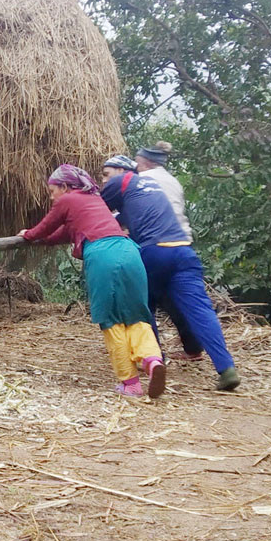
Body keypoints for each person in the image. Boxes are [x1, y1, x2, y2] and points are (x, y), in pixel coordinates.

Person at [16, 165, 166, 398]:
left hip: (103, 254)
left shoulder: (68, 200)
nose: (52, 196)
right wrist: (40, 240)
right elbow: (61, 234)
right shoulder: (93, 201)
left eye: (52, 190)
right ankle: (152, 359)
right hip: (130, 251)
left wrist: (27, 235)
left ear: (65, 186)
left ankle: (131, 383)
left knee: (110, 319)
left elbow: (46, 227)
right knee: (136, 314)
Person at [100, 166, 241, 391]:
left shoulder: (121, 181)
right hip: (183, 250)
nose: (105, 181)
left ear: (121, 170)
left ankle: (155, 360)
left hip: (153, 251)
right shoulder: (150, 190)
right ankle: (227, 369)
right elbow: (125, 218)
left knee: (143, 308)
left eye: (106, 174)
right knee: (201, 310)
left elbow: (96, 211)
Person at [135, 142, 191, 240]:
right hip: (183, 236)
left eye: (138, 165)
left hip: (160, 238)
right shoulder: (174, 181)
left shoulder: (142, 178)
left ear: (146, 164)